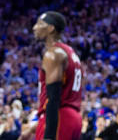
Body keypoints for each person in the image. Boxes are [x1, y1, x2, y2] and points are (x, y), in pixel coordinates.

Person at [33, 12, 84, 140]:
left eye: (39, 24)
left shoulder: (54, 54)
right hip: (72, 117)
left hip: (59, 117)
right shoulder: (69, 52)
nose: (35, 27)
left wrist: (49, 136)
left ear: (51, 28)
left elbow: (53, 98)